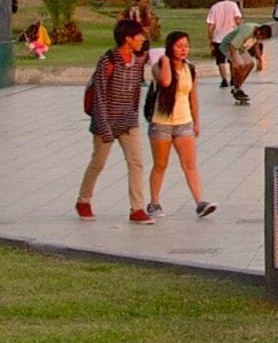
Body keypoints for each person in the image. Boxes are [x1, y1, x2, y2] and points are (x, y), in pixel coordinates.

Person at [74, 20, 153, 223]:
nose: (142, 39)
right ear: (127, 39)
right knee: (98, 163)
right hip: (106, 121)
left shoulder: (138, 59)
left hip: (128, 122)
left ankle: (137, 209)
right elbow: (99, 94)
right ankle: (83, 200)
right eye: (138, 35)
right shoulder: (108, 61)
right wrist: (104, 127)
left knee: (136, 163)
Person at [141, 31, 215, 219]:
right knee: (160, 165)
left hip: (184, 123)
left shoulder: (190, 69)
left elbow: (193, 97)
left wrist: (196, 121)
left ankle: (200, 202)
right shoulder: (159, 66)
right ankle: (154, 202)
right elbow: (165, 82)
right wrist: (166, 61)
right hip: (161, 123)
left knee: (190, 165)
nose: (183, 50)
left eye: (186, 46)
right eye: (179, 46)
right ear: (169, 47)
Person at [206, 0, 244, 84]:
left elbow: (210, 25)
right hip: (231, 37)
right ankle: (232, 78)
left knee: (220, 60)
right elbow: (238, 20)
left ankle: (224, 80)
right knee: (232, 59)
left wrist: (210, 38)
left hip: (218, 37)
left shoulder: (214, 7)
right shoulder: (233, 5)